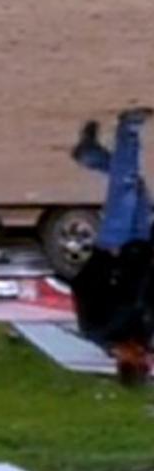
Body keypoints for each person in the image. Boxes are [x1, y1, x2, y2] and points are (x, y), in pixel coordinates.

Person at [70, 109, 151, 384]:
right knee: (136, 189)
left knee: (126, 188)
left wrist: (103, 259)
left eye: (138, 357)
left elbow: (82, 287)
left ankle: (128, 128)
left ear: (123, 360)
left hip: (114, 247)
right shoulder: (145, 333)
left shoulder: (96, 328)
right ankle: (92, 156)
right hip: (143, 247)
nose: (143, 351)